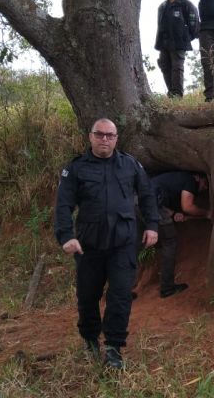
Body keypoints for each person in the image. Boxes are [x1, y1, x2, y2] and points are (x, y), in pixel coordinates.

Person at [54, 118, 159, 369]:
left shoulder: (130, 165)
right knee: (88, 295)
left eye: (109, 135)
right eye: (99, 134)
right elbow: (63, 205)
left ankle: (113, 347)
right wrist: (66, 236)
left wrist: (153, 225)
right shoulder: (76, 169)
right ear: (90, 137)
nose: (104, 139)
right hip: (89, 246)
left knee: (120, 295)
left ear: (116, 138)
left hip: (123, 243)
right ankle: (90, 338)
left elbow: (146, 195)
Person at [150, 172, 210, 298]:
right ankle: (167, 288)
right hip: (152, 205)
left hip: (136, 203)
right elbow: (188, 207)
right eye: (205, 183)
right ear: (198, 177)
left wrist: (173, 214)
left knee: (135, 245)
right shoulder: (190, 180)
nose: (205, 188)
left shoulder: (173, 179)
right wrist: (206, 213)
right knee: (169, 242)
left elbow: (162, 201)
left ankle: (121, 290)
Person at [156, 0, 200, 98]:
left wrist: (186, 37)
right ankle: (171, 94)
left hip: (179, 43)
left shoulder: (185, 4)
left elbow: (194, 23)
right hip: (164, 43)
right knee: (164, 65)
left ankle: (177, 94)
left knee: (177, 67)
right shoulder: (162, 7)